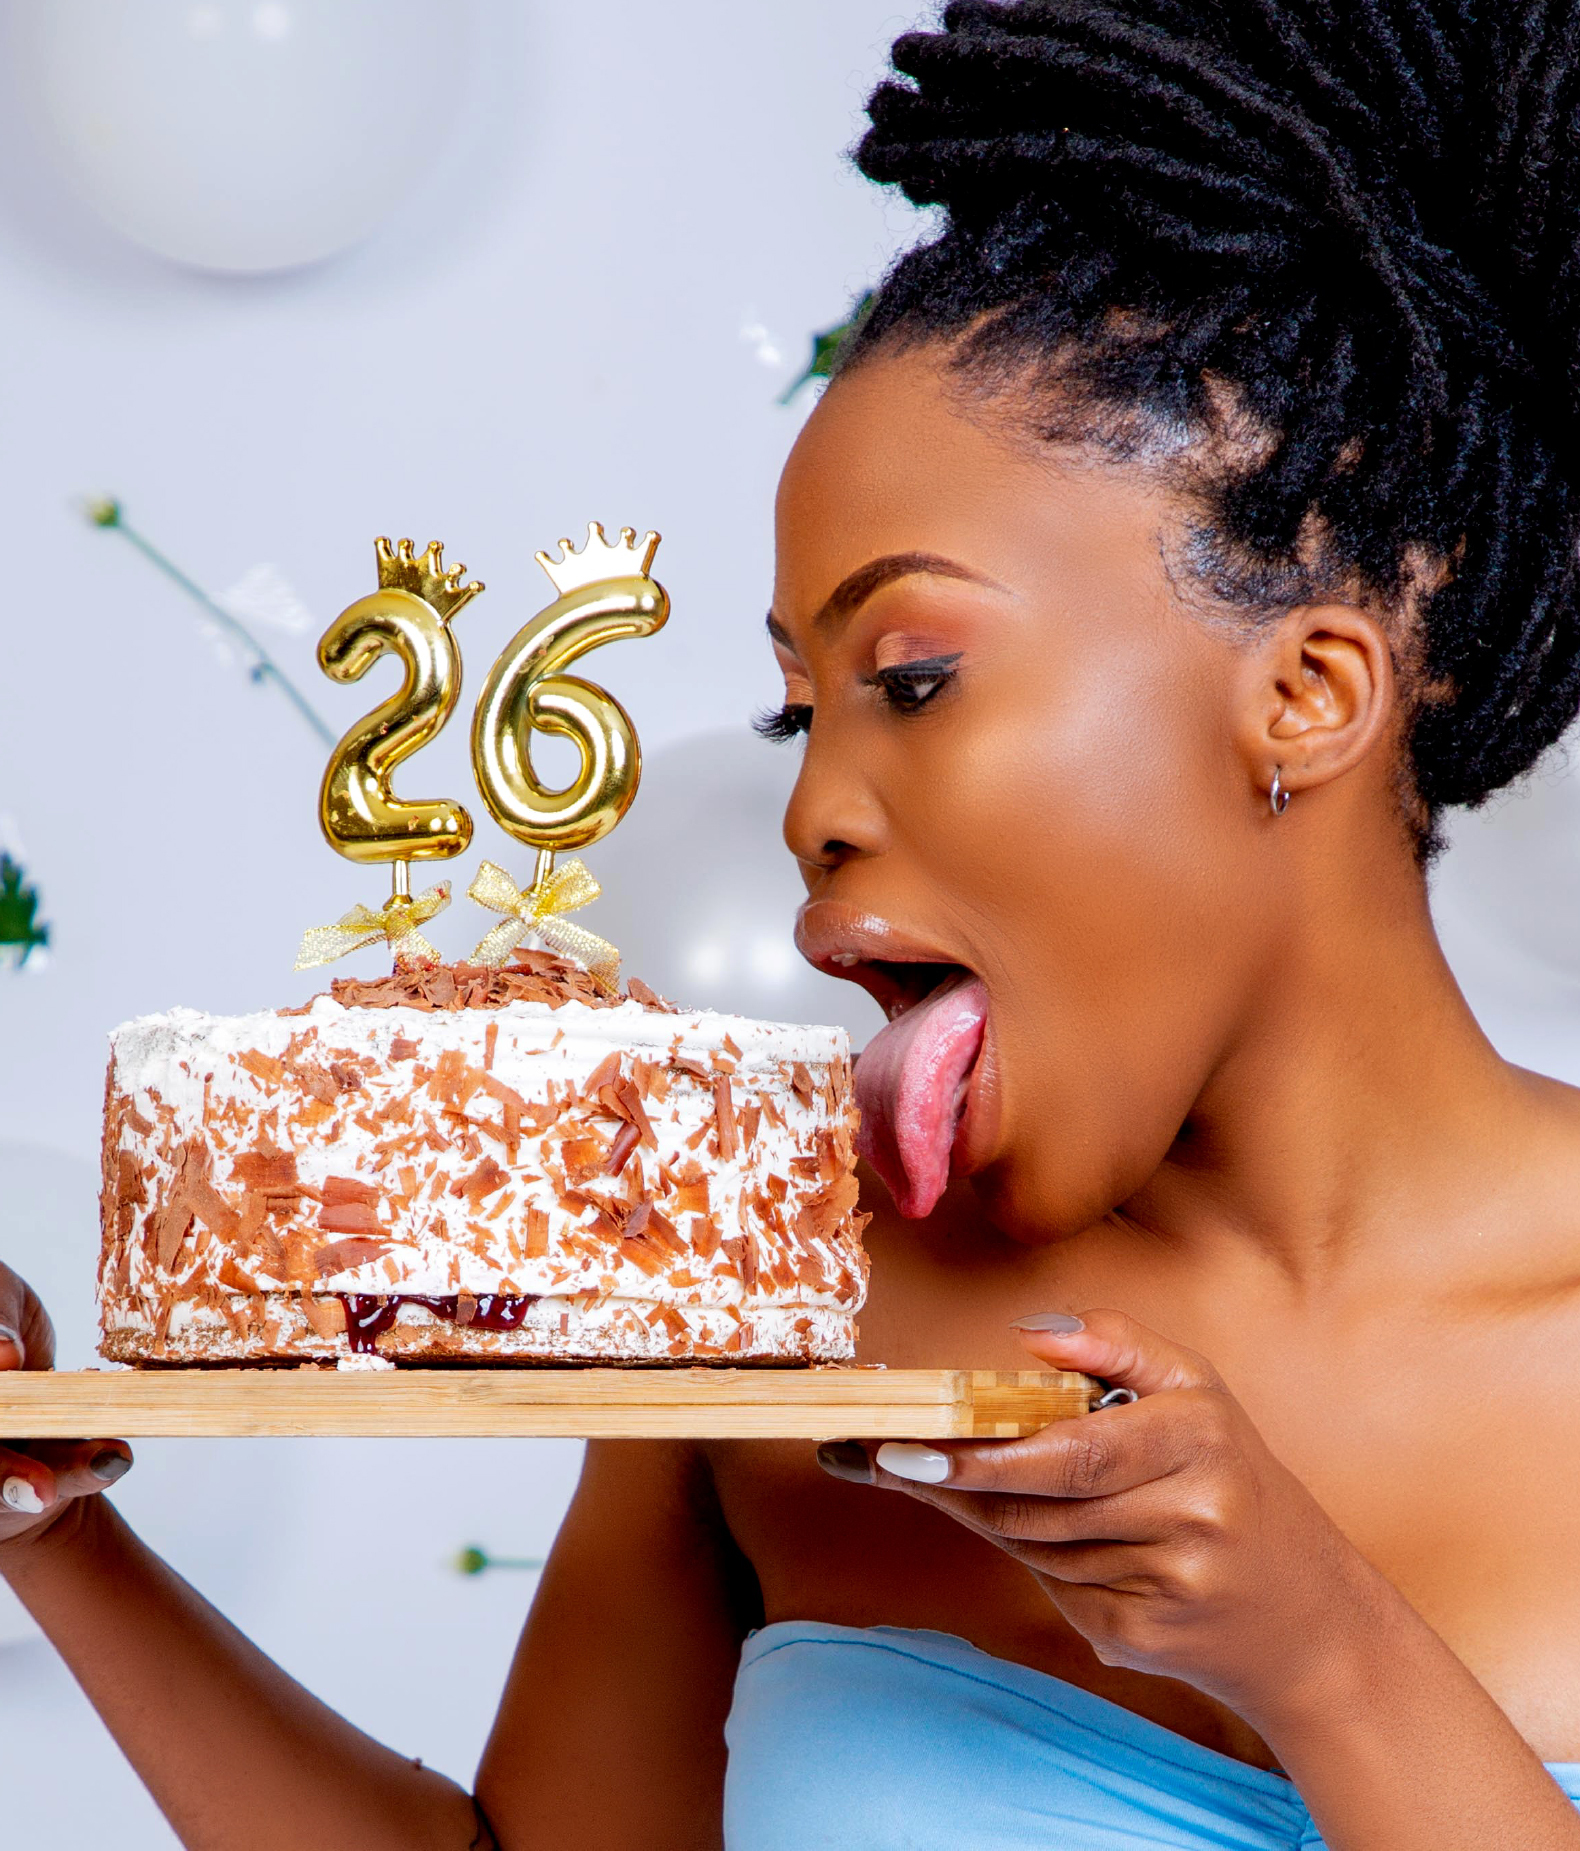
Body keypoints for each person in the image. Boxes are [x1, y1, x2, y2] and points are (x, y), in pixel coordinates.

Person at [8, 3, 1580, 1845]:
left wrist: (1321, 1650)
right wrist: (57, 1529)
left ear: (1309, 695)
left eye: (910, 676)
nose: (812, 806)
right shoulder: (793, 1327)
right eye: (796, 710)